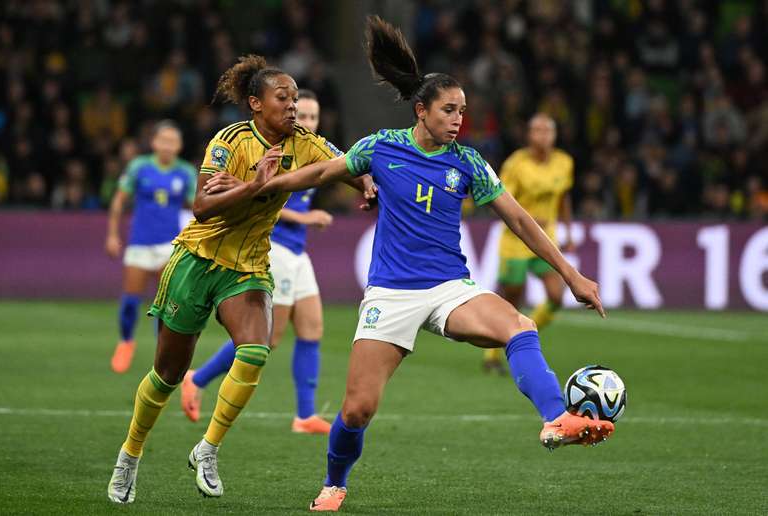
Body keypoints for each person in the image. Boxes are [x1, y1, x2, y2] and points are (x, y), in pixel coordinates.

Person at [205, 17, 614, 512]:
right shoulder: (381, 148)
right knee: (358, 408)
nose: (459, 119)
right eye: (449, 109)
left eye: (462, 110)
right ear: (421, 111)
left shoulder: (468, 163)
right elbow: (320, 171)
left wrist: (571, 275)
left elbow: (522, 222)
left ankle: (556, 418)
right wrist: (256, 186)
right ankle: (334, 483)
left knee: (519, 324)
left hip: (449, 287)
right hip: (391, 294)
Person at [106, 54, 354, 504]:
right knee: (167, 373)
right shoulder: (230, 141)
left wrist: (368, 184)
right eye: (284, 98)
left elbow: (346, 163)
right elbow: (202, 206)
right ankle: (130, 454)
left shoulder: (304, 141)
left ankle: (208, 448)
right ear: (256, 104)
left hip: (248, 267)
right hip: (197, 261)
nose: (293, 106)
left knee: (256, 350)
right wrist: (255, 185)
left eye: (296, 98)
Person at [180, 89, 335, 434]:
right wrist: (307, 220)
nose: (306, 121)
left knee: (313, 328)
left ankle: (305, 415)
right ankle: (198, 378)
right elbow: (262, 200)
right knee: (269, 337)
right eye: (303, 115)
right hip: (273, 248)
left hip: (298, 253)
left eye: (313, 116)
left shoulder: (312, 152)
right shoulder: (278, 151)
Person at [482, 113, 575, 375]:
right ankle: (491, 353)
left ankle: (523, 335)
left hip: (547, 241)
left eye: (548, 130)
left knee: (556, 297)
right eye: (537, 130)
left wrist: (568, 232)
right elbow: (498, 199)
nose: (543, 136)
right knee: (513, 297)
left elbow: (563, 198)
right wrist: (529, 218)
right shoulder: (516, 164)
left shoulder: (564, 162)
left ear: (554, 135)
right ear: (529, 135)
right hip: (517, 239)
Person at [105, 121, 196, 374]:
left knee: (167, 303)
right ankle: (126, 341)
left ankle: (163, 351)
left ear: (179, 146)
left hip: (170, 245)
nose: (167, 146)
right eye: (163, 140)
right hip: (140, 243)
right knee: (131, 300)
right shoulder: (139, 167)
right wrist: (112, 235)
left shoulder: (186, 172)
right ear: (154, 142)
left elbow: (197, 206)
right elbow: (119, 200)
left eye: (172, 141)